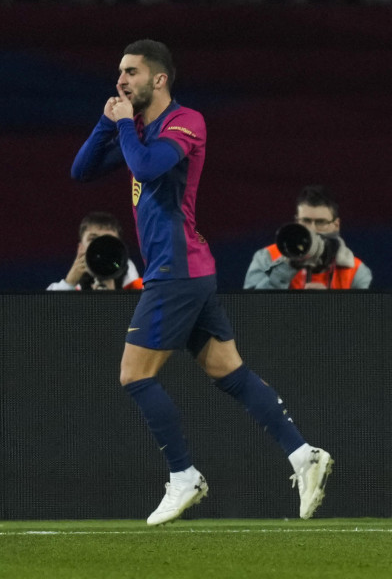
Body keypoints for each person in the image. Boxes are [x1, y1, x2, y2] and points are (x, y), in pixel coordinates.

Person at [70, 39, 333, 525]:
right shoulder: (140, 130)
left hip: (176, 270)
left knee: (135, 374)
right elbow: (81, 170)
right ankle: (304, 456)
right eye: (119, 74)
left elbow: (148, 167)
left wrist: (125, 125)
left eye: (130, 72)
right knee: (228, 372)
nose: (121, 81)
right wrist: (109, 122)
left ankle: (183, 475)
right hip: (186, 269)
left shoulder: (186, 123)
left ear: (159, 79)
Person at [243, 185, 372, 290]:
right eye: (306, 221)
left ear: (336, 225)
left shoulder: (355, 270)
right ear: (297, 222)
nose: (312, 229)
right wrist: (286, 267)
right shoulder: (267, 257)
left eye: (320, 222)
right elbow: (249, 311)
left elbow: (364, 320)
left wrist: (329, 305)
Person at [47, 211, 143, 291]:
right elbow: (44, 310)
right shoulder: (69, 288)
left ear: (119, 248)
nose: (101, 246)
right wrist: (69, 283)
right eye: (93, 239)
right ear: (80, 248)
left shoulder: (139, 288)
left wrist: (115, 297)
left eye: (107, 239)